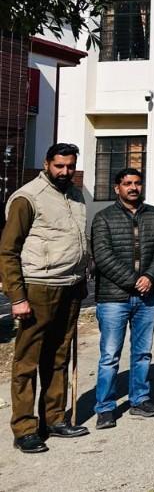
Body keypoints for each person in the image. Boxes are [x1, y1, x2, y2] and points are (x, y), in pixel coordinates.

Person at [1, 143, 90, 452]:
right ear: (46, 163)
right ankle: (24, 428)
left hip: (70, 285)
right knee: (27, 360)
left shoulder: (76, 195)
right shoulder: (28, 198)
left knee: (58, 356)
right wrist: (17, 297)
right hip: (38, 286)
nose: (65, 172)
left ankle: (53, 419)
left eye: (70, 166)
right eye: (59, 166)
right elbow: (8, 251)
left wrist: (82, 275)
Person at [91, 168, 154, 430]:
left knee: (142, 353)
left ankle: (140, 399)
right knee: (110, 355)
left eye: (138, 183)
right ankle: (105, 408)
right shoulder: (104, 218)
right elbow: (102, 256)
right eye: (128, 184)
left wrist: (149, 276)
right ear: (117, 188)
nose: (133, 188)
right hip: (113, 298)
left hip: (147, 297)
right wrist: (132, 281)